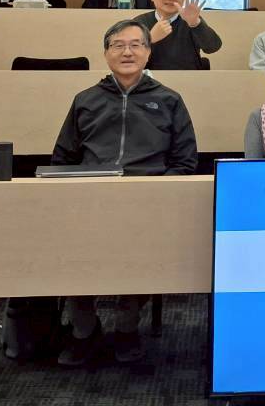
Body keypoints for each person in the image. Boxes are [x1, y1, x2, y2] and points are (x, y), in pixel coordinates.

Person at [51, 19, 198, 367]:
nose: (127, 52)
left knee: (141, 252)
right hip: (91, 199)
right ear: (106, 54)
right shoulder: (86, 100)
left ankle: (127, 328)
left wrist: (159, 192)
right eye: (118, 45)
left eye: (135, 45)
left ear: (148, 52)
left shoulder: (169, 100)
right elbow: (63, 158)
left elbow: (185, 160)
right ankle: (84, 330)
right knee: (69, 251)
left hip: (147, 202)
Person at [135, 0, 222, 71]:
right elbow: (128, 57)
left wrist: (195, 24)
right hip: (150, 78)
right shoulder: (139, 23)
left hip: (188, 78)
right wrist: (149, 39)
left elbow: (213, 47)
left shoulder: (190, 19)